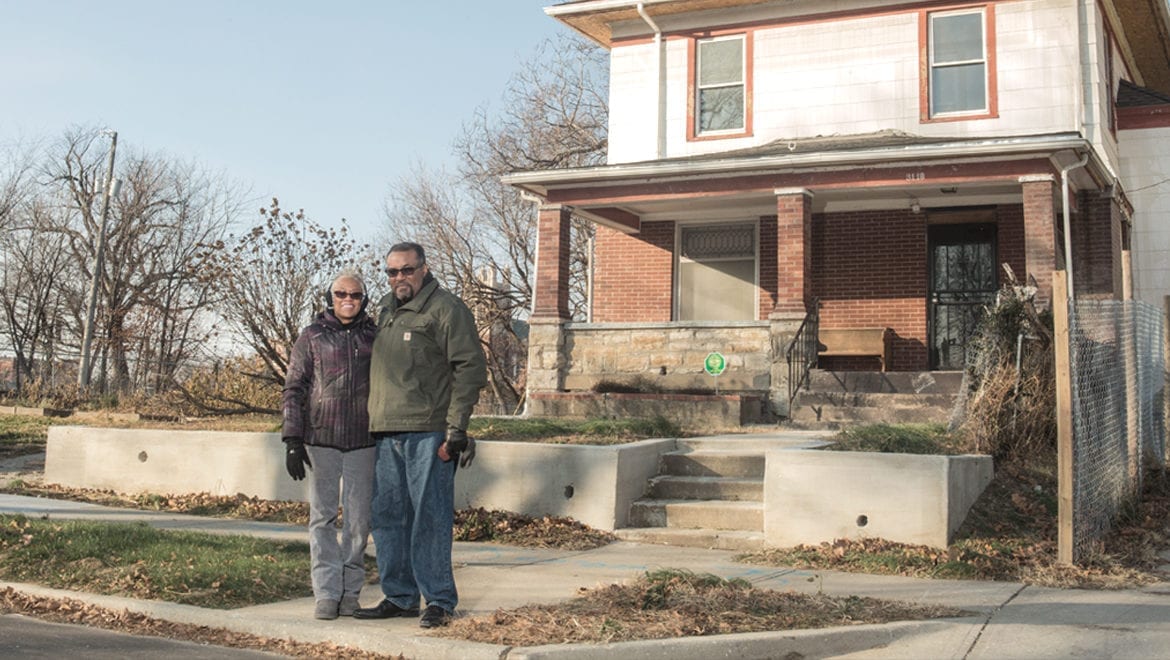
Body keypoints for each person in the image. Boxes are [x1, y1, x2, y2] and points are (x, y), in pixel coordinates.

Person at [354, 242, 487, 629]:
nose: (399, 278)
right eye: (392, 272)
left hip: (429, 432)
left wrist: (457, 427)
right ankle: (399, 595)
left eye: (407, 270)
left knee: (429, 518)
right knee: (388, 518)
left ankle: (440, 600)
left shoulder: (446, 309)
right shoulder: (383, 309)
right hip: (384, 431)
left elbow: (470, 369)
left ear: (424, 269)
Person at [281, 269, 377, 621]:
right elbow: (294, 387)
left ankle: (351, 593)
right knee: (321, 518)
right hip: (321, 439)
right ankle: (325, 592)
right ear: (330, 298)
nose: (347, 300)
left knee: (357, 522)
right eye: (341, 294)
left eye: (354, 295)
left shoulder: (375, 336)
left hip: (364, 441)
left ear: (363, 299)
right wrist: (292, 437)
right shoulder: (312, 336)